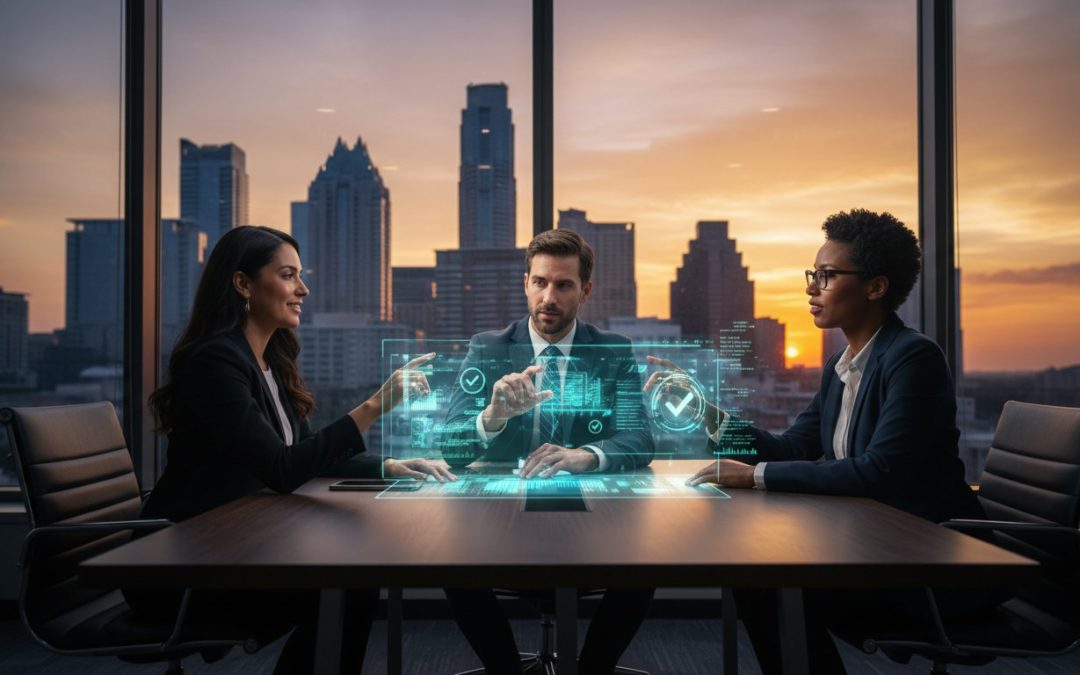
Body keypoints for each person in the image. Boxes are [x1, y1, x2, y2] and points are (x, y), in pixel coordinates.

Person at [647, 209, 990, 675]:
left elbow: (878, 470)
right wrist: (705, 412)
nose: (811, 288)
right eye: (814, 275)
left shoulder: (913, 358)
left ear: (875, 287)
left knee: (764, 580)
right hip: (872, 545)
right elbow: (792, 448)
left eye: (826, 276)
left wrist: (753, 475)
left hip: (924, 563)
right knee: (755, 576)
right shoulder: (840, 367)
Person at [128, 226, 454, 674]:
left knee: (354, 580)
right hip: (187, 564)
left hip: (237, 544)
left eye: (301, 275)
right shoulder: (214, 362)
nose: (303, 288)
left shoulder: (268, 361)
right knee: (347, 584)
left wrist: (390, 464)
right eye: (288, 275)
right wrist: (376, 405)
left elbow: (304, 454)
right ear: (243, 284)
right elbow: (282, 470)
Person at [442, 229, 655, 675]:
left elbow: (640, 439)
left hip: (592, 516)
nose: (549, 297)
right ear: (526, 284)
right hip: (504, 517)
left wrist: (587, 454)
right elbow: (451, 447)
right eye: (539, 283)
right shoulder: (489, 348)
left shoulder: (614, 351)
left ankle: (592, 669)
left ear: (586, 291)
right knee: (452, 566)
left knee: (646, 566)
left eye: (563, 285)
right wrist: (493, 417)